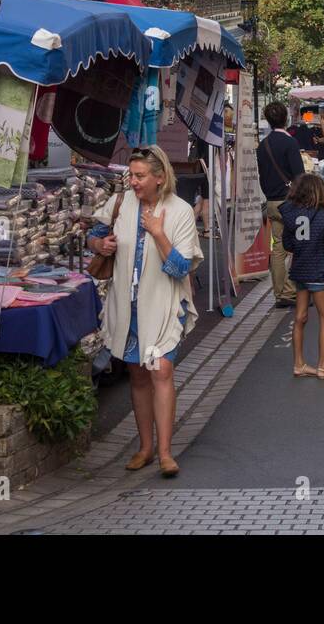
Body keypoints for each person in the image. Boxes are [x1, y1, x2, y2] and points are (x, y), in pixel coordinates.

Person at [87, 146, 202, 476]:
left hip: (164, 305)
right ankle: (145, 448)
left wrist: (158, 233)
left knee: (160, 371)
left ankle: (166, 453)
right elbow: (93, 238)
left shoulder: (178, 211)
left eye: (139, 176)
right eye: (131, 175)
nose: (133, 182)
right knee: (138, 374)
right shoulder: (120, 203)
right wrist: (100, 245)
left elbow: (180, 268)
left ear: (159, 178)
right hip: (129, 304)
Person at [280, 174, 324, 380]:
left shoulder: (291, 216)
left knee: (300, 317)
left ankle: (299, 364)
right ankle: (323, 366)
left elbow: (287, 245)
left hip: (300, 270)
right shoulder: (323, 216)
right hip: (318, 270)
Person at [256, 102, 305, 309]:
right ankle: (291, 290)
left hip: (272, 201)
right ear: (286, 118)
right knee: (298, 245)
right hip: (290, 201)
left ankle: (279, 293)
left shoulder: (263, 144)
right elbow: (300, 176)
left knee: (278, 247)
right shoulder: (290, 143)